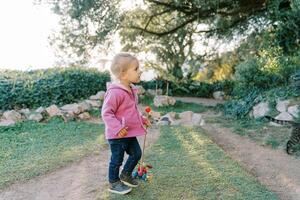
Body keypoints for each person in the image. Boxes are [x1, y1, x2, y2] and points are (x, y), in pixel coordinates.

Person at [101, 52, 150, 195]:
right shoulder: (115, 92)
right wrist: (117, 128)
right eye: (136, 69)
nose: (139, 71)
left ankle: (126, 174)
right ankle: (114, 182)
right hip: (117, 135)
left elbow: (132, 112)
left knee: (136, 154)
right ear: (123, 74)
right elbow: (106, 113)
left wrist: (142, 119)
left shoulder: (132, 90)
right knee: (117, 159)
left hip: (129, 133)